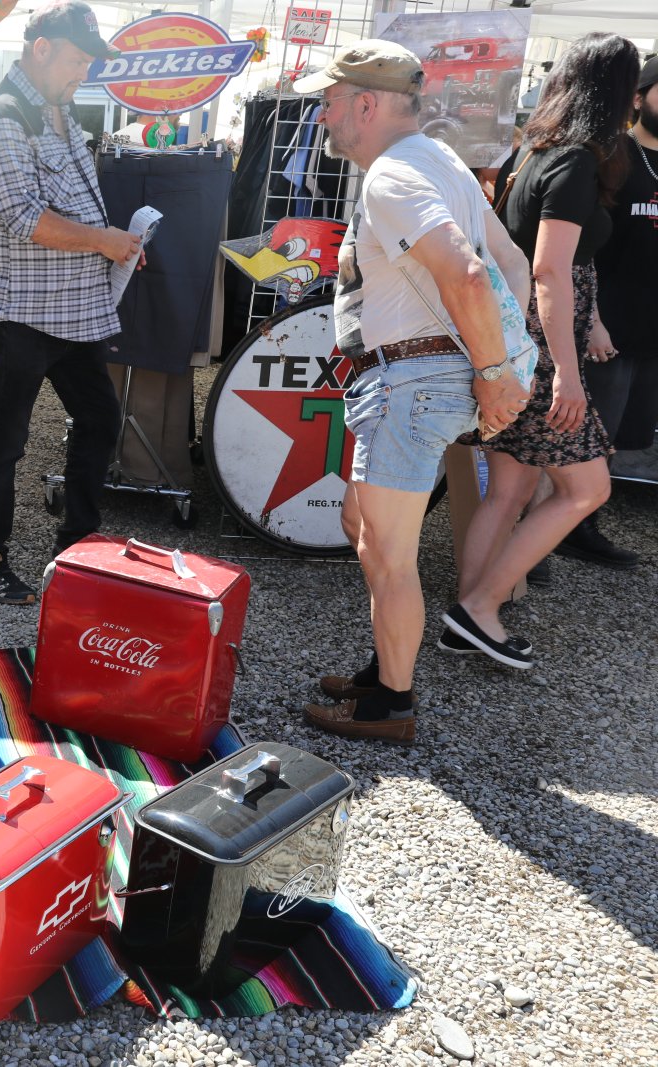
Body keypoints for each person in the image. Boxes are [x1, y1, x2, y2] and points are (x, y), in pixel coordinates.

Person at [296, 40, 530, 744]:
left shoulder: (393, 176)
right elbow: (510, 262)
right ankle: (385, 666)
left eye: (330, 102)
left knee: (389, 555)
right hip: (417, 379)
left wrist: (495, 372)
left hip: (411, 382)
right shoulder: (440, 161)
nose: (323, 116)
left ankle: (391, 704)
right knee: (362, 528)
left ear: (366, 104)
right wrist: (499, 363)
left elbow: (468, 273)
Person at [447, 34, 641, 657]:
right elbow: (550, 271)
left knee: (508, 491)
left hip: (521, 339)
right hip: (540, 346)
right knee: (587, 489)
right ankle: (479, 609)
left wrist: (591, 324)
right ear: (616, 93)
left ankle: (467, 616)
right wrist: (566, 372)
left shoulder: (535, 151)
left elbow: (558, 265)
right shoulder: (576, 161)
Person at [0, 0, 140, 605]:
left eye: (89, 62)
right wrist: (105, 241)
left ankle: (78, 544)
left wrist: (116, 246)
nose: (84, 72)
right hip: (22, 313)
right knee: (5, 438)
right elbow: (23, 216)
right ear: (41, 50)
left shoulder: (56, 107)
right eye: (78, 60)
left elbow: (70, 200)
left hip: (71, 308)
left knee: (100, 418)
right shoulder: (4, 113)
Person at [589, 55, 658, 484]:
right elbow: (580, 249)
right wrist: (592, 321)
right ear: (637, 98)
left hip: (651, 337)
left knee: (619, 444)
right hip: (606, 334)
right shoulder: (610, 155)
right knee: (586, 443)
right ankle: (570, 517)